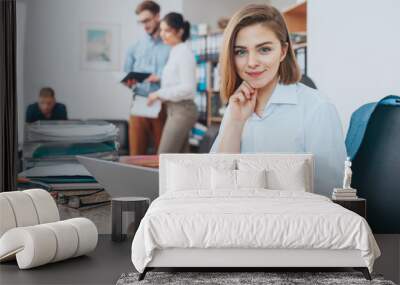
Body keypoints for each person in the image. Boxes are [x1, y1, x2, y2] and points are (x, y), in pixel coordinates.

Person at [210, 4, 346, 197]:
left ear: (283, 52)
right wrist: (236, 122)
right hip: (238, 218)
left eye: (264, 49)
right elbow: (218, 185)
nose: (251, 62)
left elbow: (328, 192)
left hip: (293, 222)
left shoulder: (317, 108)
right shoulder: (235, 107)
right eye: (241, 51)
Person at [147, 12, 198, 153]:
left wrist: (158, 94)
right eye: (161, 30)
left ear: (180, 31)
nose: (162, 34)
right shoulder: (175, 51)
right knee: (179, 160)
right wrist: (159, 78)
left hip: (183, 110)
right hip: (173, 109)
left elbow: (188, 88)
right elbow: (177, 79)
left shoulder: (184, 53)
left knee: (164, 156)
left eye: (167, 30)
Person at [124, 0, 170, 155]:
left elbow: (176, 77)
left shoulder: (171, 46)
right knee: (136, 155)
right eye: (141, 22)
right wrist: (129, 82)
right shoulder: (134, 47)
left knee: (163, 155)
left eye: (147, 20)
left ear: (157, 16)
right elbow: (126, 75)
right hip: (139, 103)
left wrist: (160, 78)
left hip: (162, 104)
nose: (144, 25)